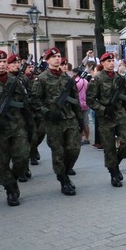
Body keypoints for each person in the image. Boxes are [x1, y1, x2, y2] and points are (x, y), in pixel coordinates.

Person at [0, 50, 32, 206]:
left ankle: (13, 179)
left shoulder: (15, 81)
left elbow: (24, 103)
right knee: (2, 162)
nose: (2, 64)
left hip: (17, 126)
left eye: (4, 62)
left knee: (23, 157)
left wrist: (30, 124)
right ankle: (10, 190)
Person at [31, 47, 81, 196]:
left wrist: (80, 119)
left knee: (73, 149)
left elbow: (75, 100)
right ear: (47, 61)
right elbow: (35, 100)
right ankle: (63, 180)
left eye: (59, 56)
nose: (57, 59)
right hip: (53, 122)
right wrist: (47, 112)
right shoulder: (41, 79)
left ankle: (65, 171)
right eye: (53, 57)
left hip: (69, 118)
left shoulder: (67, 78)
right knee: (58, 151)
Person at [86, 52, 126, 187]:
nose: (111, 63)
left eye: (112, 60)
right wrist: (103, 109)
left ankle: (115, 163)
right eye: (108, 61)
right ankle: (114, 173)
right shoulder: (97, 79)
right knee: (109, 147)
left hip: (120, 114)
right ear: (102, 63)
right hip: (106, 117)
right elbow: (90, 100)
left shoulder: (120, 79)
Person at [75, 66, 91, 145]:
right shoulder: (86, 81)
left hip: (78, 104)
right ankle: (87, 138)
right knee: (86, 122)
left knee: (79, 122)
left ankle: (80, 138)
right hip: (86, 103)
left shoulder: (76, 81)